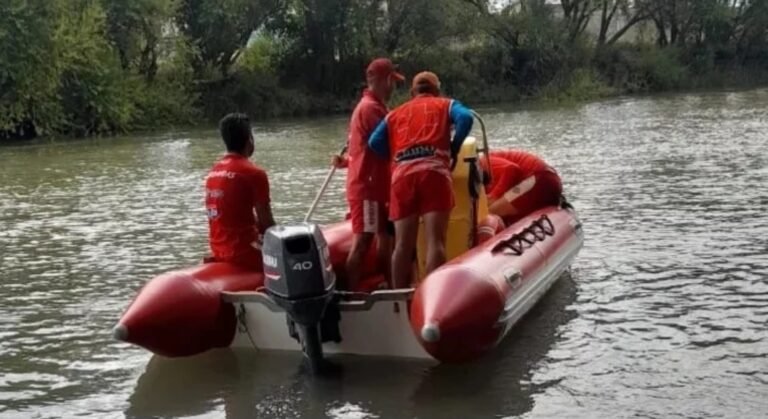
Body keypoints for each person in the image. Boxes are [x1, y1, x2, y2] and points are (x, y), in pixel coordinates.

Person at [368, 71, 474, 288]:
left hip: (402, 177)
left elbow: (374, 142)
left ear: (412, 92)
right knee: (436, 241)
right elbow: (466, 118)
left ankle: (398, 296)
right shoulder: (446, 104)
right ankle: (433, 293)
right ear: (437, 90)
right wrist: (454, 147)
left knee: (402, 245)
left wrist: (396, 157)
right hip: (434, 173)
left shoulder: (394, 114)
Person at [331, 58, 404, 290]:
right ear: (385, 80)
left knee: (386, 237)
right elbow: (388, 145)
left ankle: (391, 286)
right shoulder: (371, 109)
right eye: (393, 81)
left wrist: (345, 162)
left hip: (375, 186)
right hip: (368, 189)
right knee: (363, 242)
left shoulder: (372, 107)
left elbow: (361, 150)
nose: (394, 87)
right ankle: (352, 295)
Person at [205, 113, 275, 272]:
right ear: (249, 139)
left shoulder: (213, 172)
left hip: (218, 249)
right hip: (244, 253)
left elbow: (231, 216)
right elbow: (267, 223)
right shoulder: (254, 173)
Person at [485, 149, 563, 225]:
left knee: (488, 213)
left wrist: (494, 195)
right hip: (546, 178)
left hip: (537, 178)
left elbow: (511, 169)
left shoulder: (483, 162)